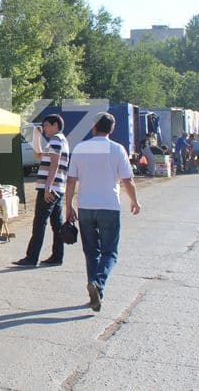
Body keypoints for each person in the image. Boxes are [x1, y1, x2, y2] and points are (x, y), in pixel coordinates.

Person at [65, 112, 141, 312]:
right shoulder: (117, 149)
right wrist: (134, 201)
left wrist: (68, 206)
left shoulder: (80, 148)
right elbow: (127, 180)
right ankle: (98, 284)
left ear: (94, 127)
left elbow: (71, 180)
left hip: (86, 207)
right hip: (109, 206)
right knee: (110, 253)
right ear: (112, 129)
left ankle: (95, 293)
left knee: (91, 252)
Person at [13, 114, 70, 267]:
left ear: (55, 126)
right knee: (56, 224)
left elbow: (54, 163)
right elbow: (38, 155)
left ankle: (32, 257)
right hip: (58, 188)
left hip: (50, 188)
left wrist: (48, 187)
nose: (44, 129)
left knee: (39, 222)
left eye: (46, 126)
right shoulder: (60, 140)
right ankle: (57, 256)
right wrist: (37, 136)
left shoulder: (56, 140)